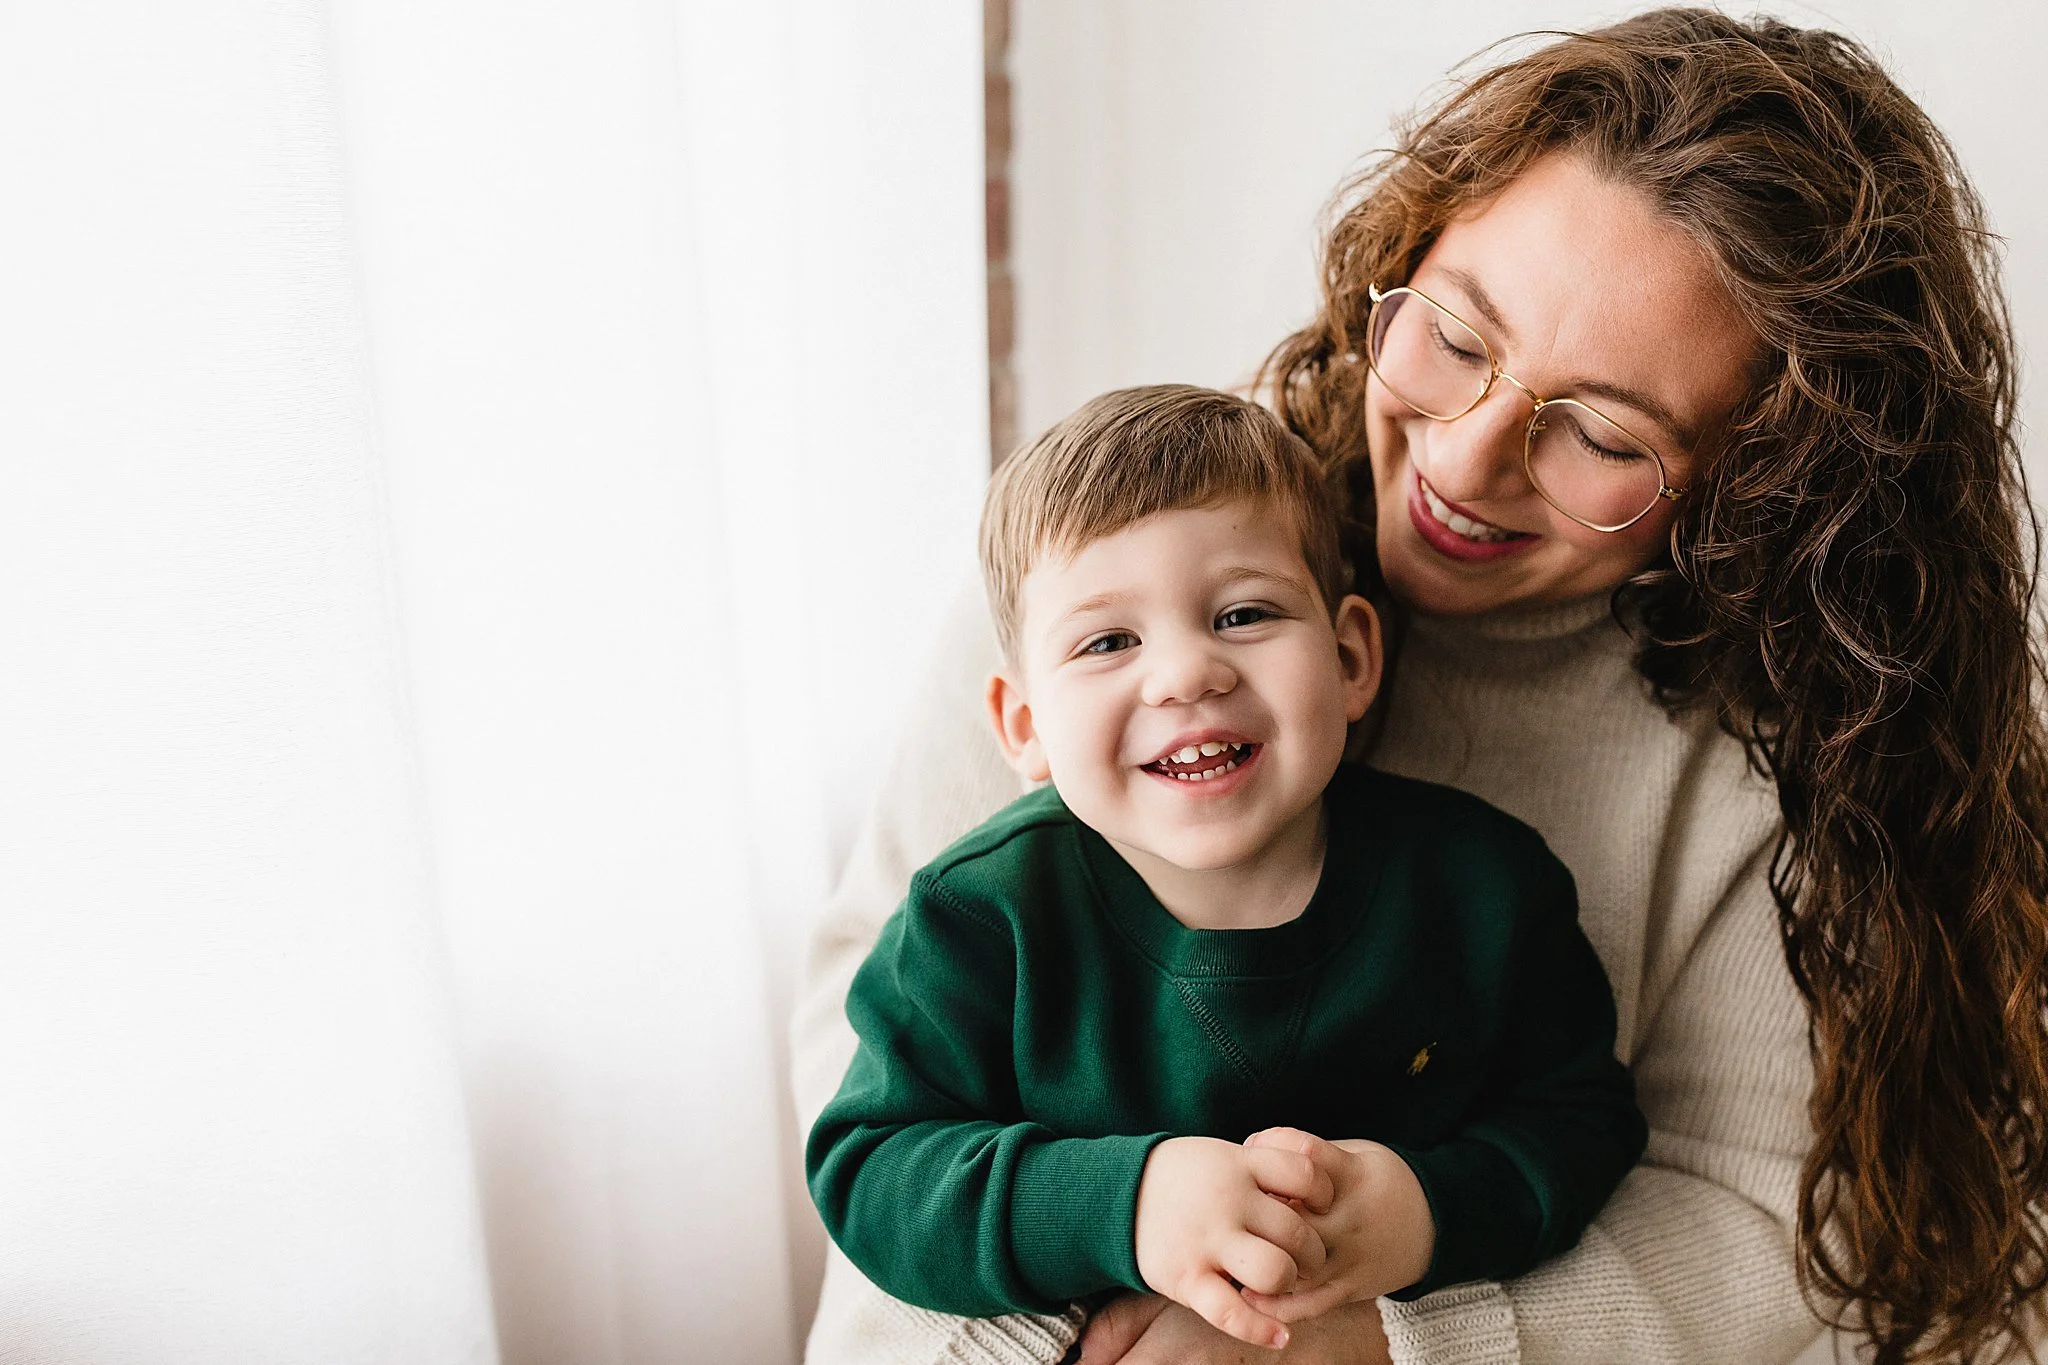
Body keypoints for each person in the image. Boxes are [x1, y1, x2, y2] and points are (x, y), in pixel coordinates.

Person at [791, 10, 2048, 1364]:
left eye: (1600, 434)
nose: (1464, 454)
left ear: (1760, 486)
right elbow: (874, 1080)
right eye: (1454, 335)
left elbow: (1760, 1216)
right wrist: (1116, 1301)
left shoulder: (1768, 762)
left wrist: (1378, 1343)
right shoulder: (1111, 559)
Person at [806, 385, 1647, 1352]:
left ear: (1349, 656)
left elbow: (1581, 1125)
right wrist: (1129, 1206)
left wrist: (1422, 1214)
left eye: (1242, 614)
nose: (1185, 674)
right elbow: (874, 1168)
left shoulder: (1486, 894)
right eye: (1108, 641)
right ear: (1024, 724)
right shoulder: (978, 918)